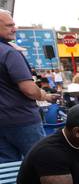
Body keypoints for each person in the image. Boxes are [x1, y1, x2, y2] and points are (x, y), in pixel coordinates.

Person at [0, 9, 59, 164]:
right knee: (42, 164)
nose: (15, 28)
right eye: (9, 25)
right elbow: (29, 90)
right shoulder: (9, 53)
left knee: (8, 167)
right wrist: (45, 96)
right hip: (21, 119)